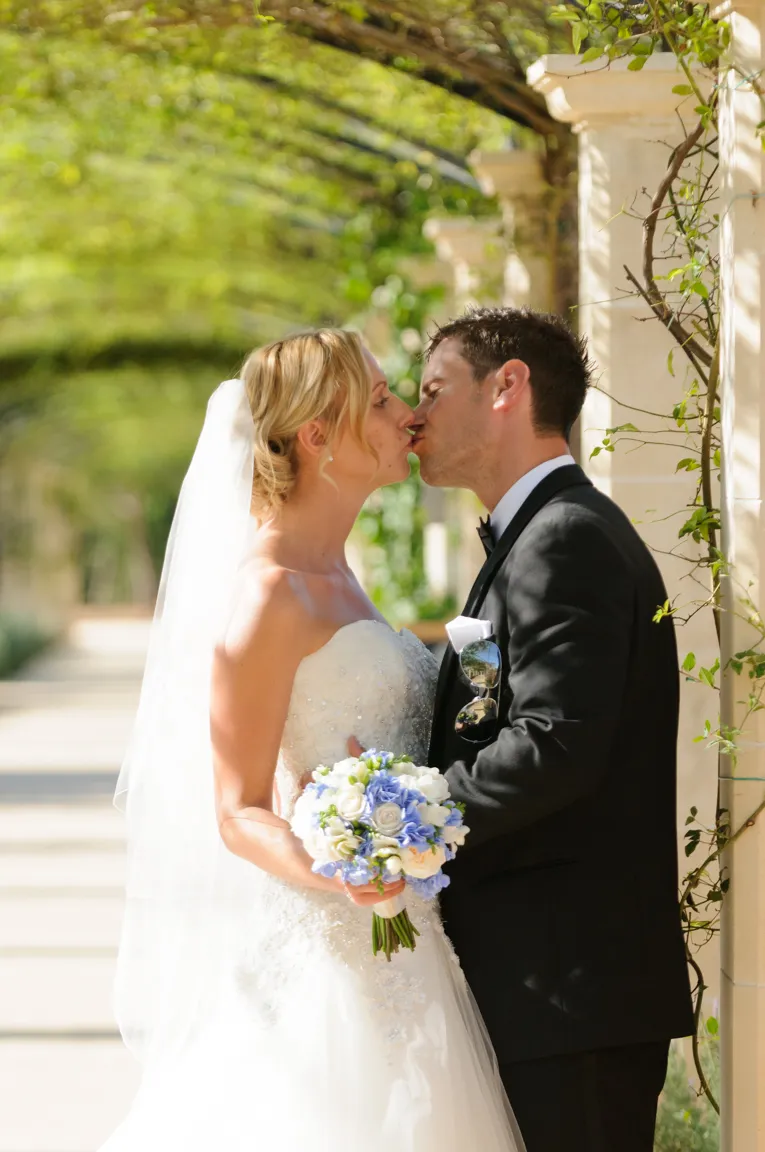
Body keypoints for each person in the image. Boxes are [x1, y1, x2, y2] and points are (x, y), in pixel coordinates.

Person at [101, 328, 525, 1152]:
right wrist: (342, 869)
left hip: (410, 944)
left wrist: (486, 645)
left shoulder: (338, 572)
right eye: (378, 398)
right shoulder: (268, 597)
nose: (406, 414)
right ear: (316, 435)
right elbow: (240, 810)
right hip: (334, 950)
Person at [411, 306, 695, 1152]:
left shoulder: (564, 537)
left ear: (508, 386)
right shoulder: (530, 537)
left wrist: (404, 816)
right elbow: (488, 722)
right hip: (543, 990)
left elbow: (553, 745)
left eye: (432, 388)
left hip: (571, 994)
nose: (415, 415)